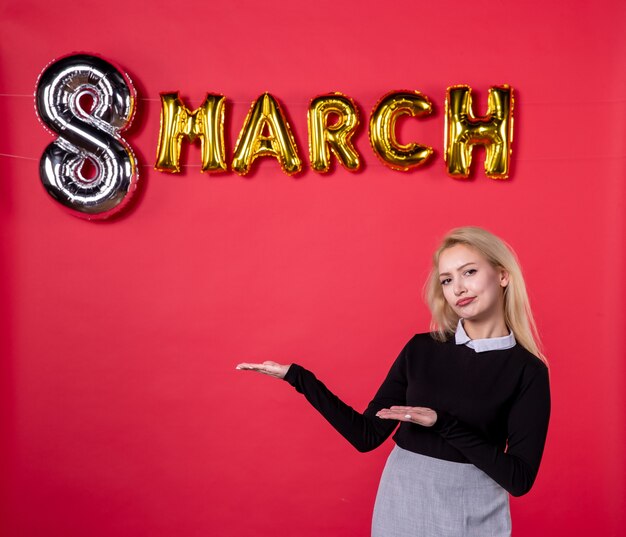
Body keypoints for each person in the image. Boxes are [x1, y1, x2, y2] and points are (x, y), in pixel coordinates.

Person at [236, 226, 551, 537]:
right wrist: (299, 378)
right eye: (447, 280)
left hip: (473, 510)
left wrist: (443, 423)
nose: (458, 288)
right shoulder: (421, 349)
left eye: (468, 272)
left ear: (502, 275)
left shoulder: (528, 370)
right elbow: (367, 435)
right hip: (403, 500)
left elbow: (519, 479)